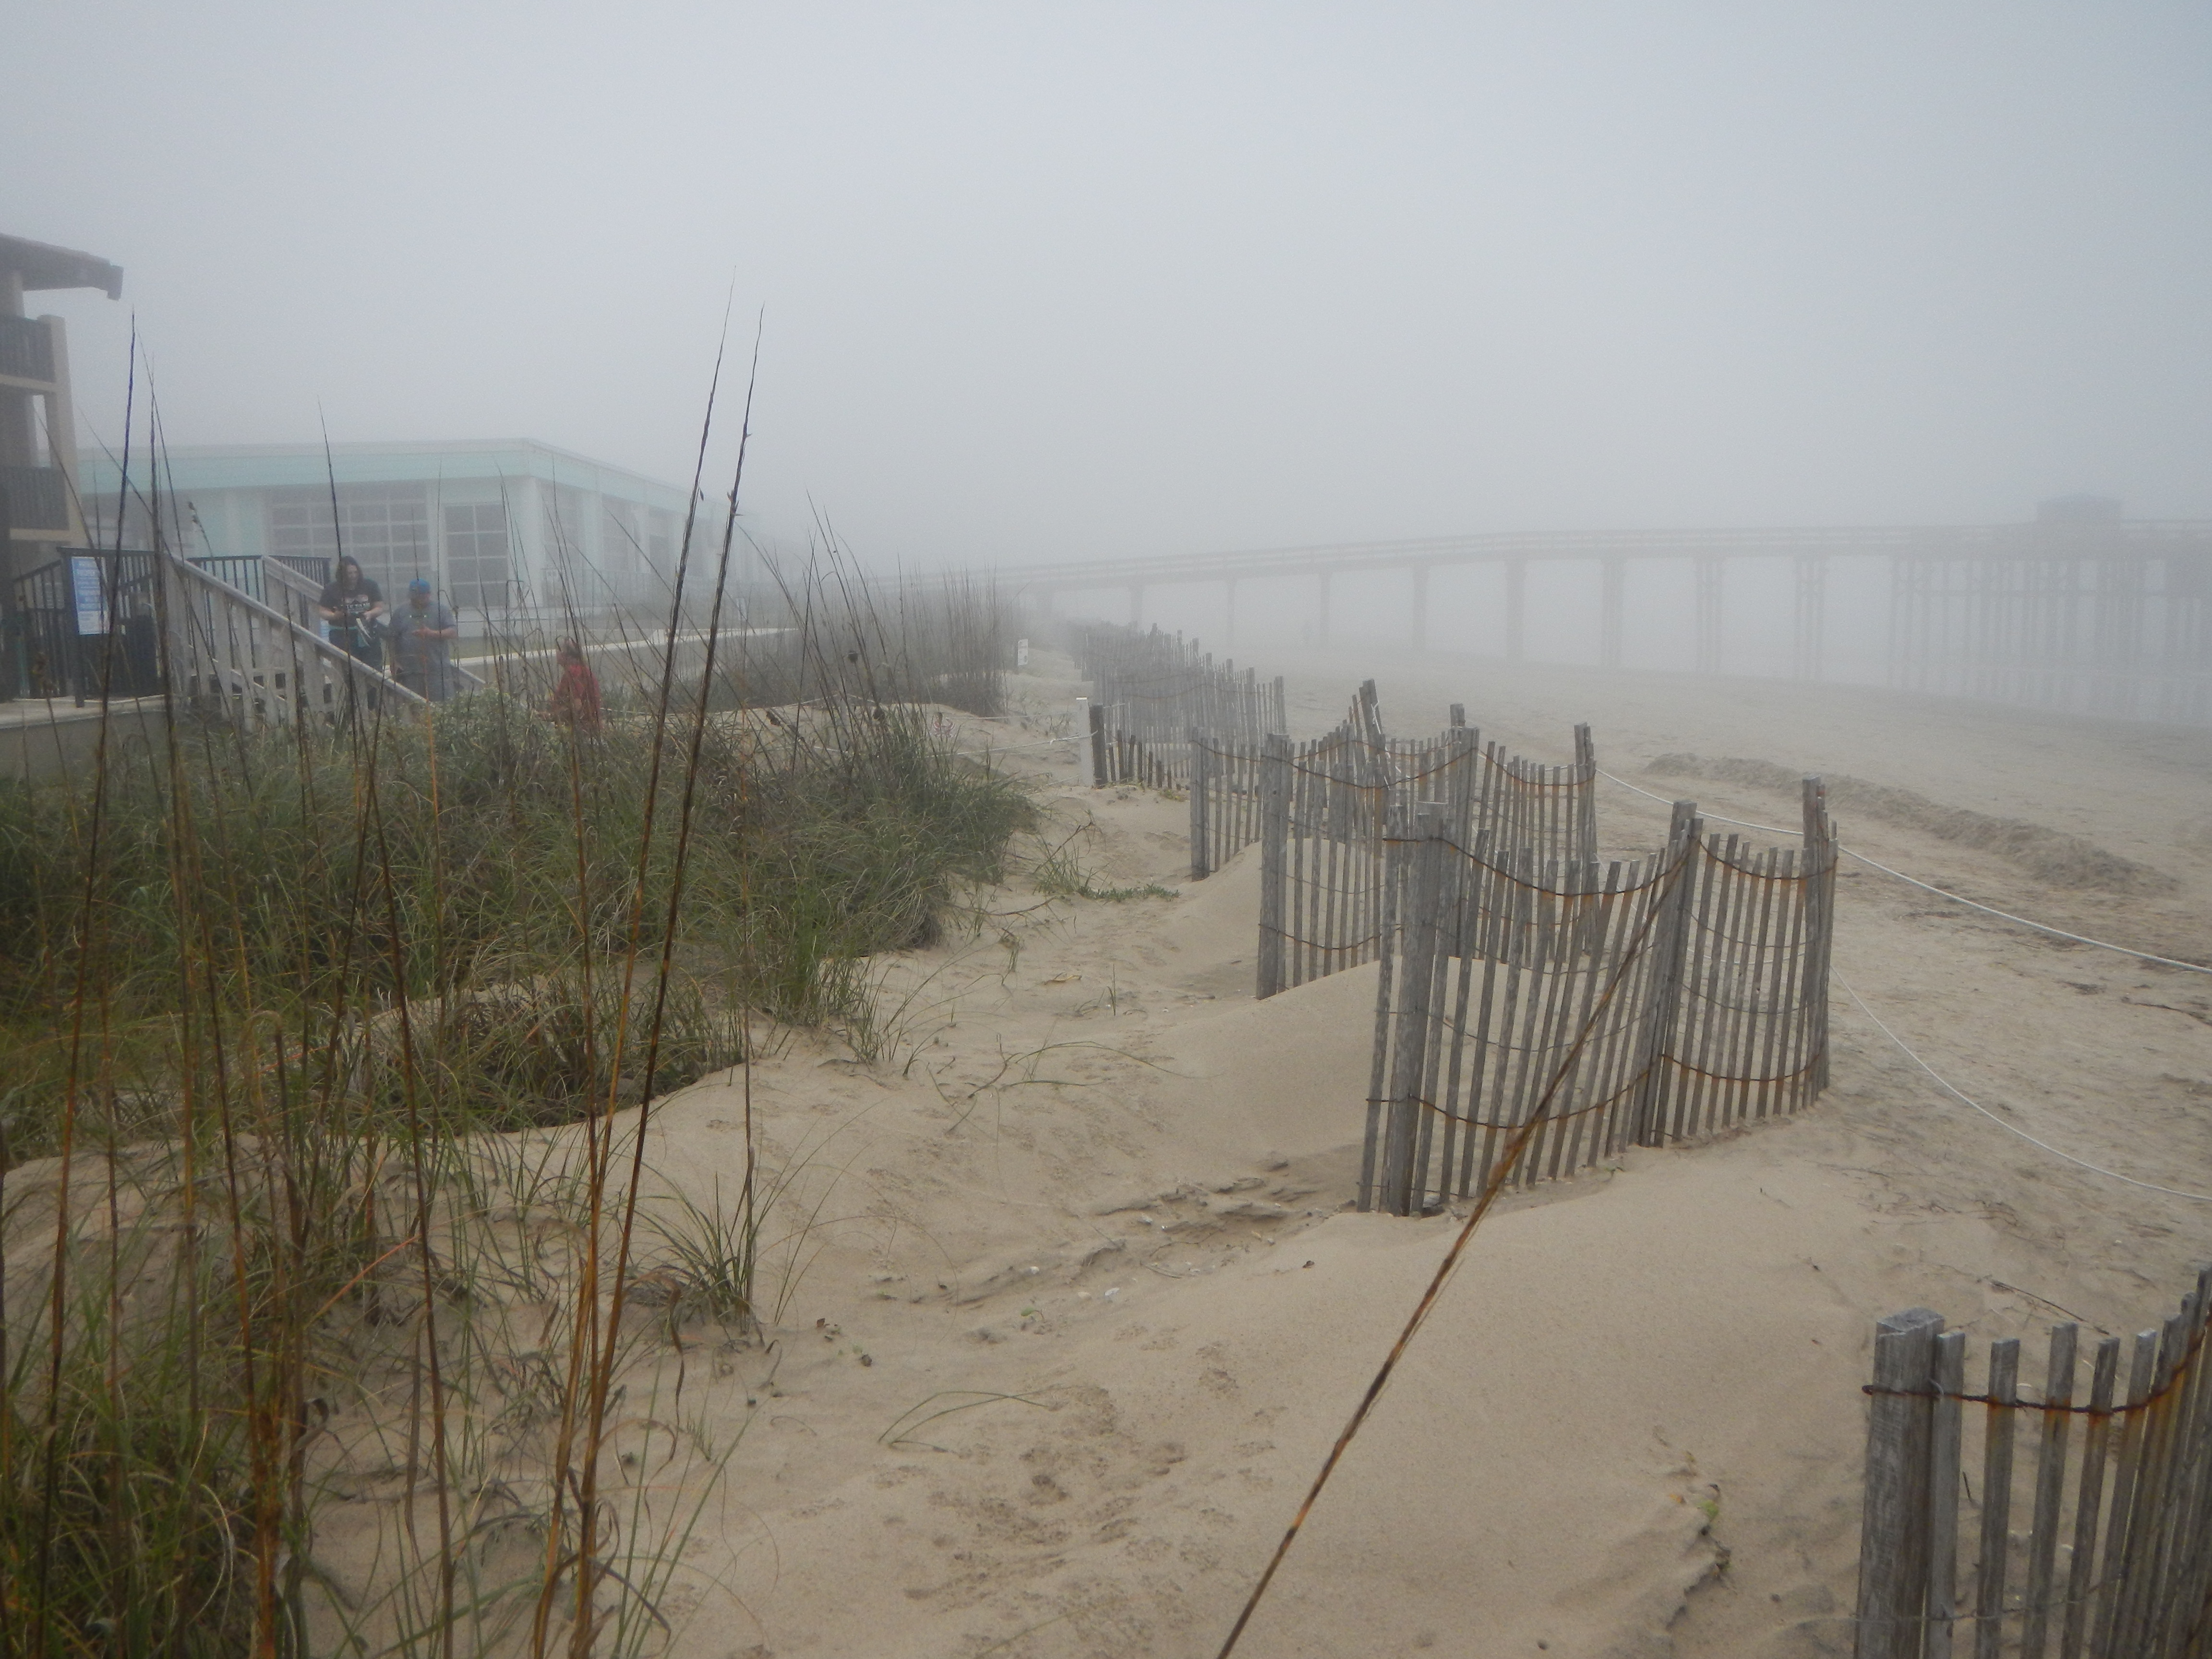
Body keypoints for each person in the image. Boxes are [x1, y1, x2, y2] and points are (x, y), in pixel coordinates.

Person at [388, 577, 460, 702]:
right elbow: (392, 637)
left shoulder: (441, 610)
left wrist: (430, 633)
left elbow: (453, 632)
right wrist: (393, 661)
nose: (416, 601)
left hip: (437, 669)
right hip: (410, 671)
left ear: (428, 595)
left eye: (420, 597)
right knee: (414, 705)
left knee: (439, 705)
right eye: (413, 597)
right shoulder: (401, 612)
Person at [316, 556, 386, 672]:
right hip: (342, 635)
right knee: (347, 670)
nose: (354, 576)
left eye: (355, 572)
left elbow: (379, 607)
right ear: (342, 574)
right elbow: (322, 611)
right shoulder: (331, 589)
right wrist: (335, 616)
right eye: (350, 573)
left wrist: (370, 614)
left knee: (374, 669)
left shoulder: (370, 585)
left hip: (367, 633)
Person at [547, 637, 601, 732]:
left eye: (558, 651)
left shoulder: (574, 672)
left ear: (565, 654)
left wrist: (552, 716)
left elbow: (577, 707)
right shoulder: (577, 671)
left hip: (584, 730)